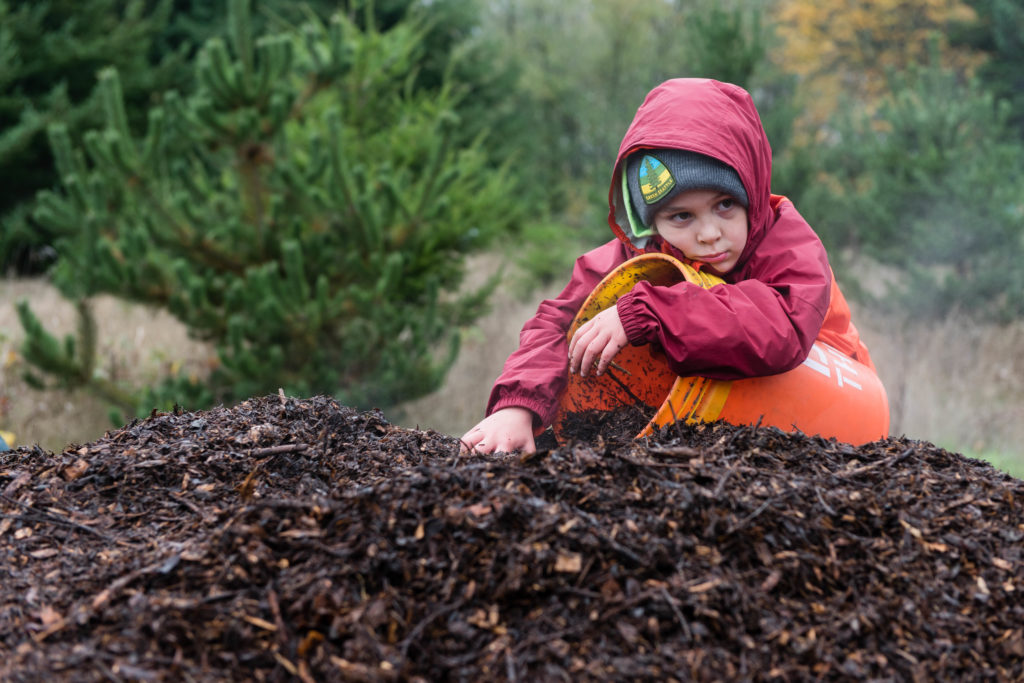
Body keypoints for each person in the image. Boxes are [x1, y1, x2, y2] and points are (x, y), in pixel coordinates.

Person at [459, 78, 873, 455]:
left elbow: (783, 326)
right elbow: (558, 322)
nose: (710, 233)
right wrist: (518, 406)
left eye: (724, 205)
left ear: (750, 191)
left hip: (836, 394)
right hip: (715, 413)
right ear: (651, 223)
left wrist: (648, 311)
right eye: (682, 217)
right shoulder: (639, 257)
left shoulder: (786, 242)